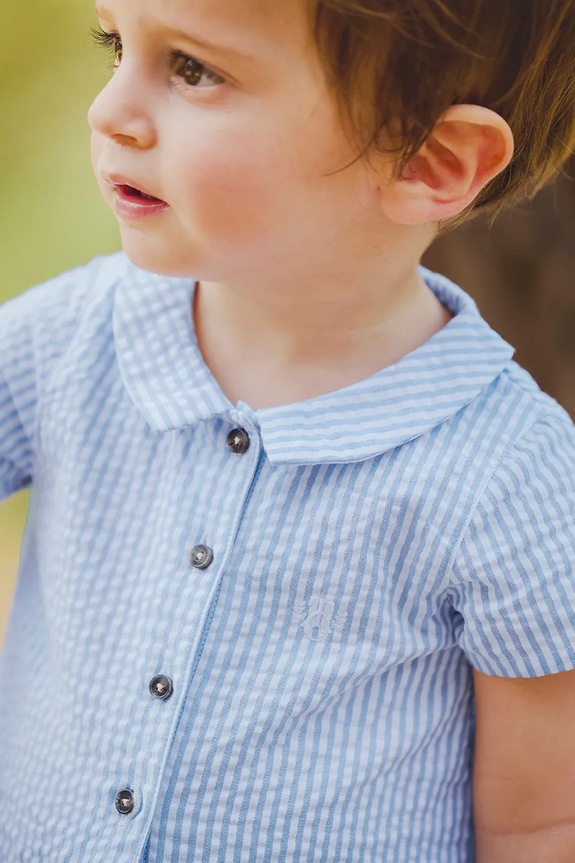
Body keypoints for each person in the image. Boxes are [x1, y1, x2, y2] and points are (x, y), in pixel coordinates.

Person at [1, 0, 574, 860]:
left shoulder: (503, 471)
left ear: (429, 159)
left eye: (193, 69)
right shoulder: (76, 335)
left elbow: (537, 821)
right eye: (114, 44)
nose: (108, 110)